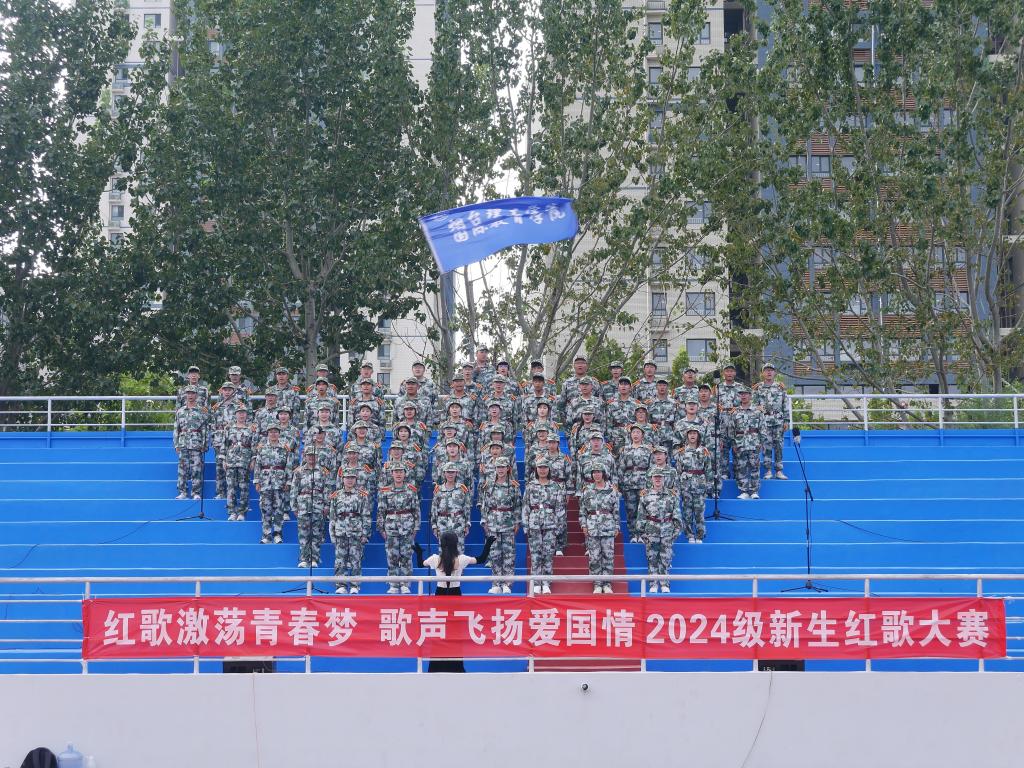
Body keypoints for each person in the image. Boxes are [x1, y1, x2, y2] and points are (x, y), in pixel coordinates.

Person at [413, 532, 495, 673]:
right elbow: (481, 559)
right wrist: (488, 544)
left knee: (439, 630)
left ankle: (436, 667)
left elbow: (420, 564)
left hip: (440, 596)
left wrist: (419, 553)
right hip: (455, 596)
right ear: (456, 544)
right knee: (455, 631)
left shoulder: (435, 559)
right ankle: (456, 667)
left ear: (441, 544)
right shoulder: (461, 559)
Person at [522, 458, 565, 594]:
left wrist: (559, 527)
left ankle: (546, 582)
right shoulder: (530, 486)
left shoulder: (555, 487)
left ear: (549, 469)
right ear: (536, 469)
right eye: (540, 467)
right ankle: (536, 582)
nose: (542, 470)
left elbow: (560, 508)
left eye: (545, 467)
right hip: (534, 524)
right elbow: (525, 507)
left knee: (548, 554)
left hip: (551, 524)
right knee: (535, 555)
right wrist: (525, 525)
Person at [479, 456, 520, 594]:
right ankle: (496, 583)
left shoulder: (513, 485)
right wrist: (484, 521)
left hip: (508, 523)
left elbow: (518, 505)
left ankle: (507, 584)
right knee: (494, 554)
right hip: (492, 523)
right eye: (498, 467)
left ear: (508, 468)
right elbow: (485, 505)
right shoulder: (489, 484)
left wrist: (517, 522)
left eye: (503, 467)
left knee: (509, 554)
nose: (500, 470)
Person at [378, 463, 420, 593]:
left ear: (405, 473)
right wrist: (381, 529)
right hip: (391, 527)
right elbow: (381, 511)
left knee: (406, 556)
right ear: (391, 474)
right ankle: (393, 584)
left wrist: (416, 528)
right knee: (392, 556)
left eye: (401, 471)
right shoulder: (385, 491)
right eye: (396, 471)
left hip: (407, 527)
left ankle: (405, 584)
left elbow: (416, 510)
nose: (398, 474)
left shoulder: (411, 490)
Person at [579, 464, 621, 594]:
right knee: (594, 557)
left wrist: (617, 526)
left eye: (598, 472)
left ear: (604, 473)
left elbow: (616, 510)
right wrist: (584, 525)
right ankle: (597, 584)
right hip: (592, 527)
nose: (596, 475)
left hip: (608, 526)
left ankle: (607, 584)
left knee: (608, 556)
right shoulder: (587, 490)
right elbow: (582, 511)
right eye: (594, 472)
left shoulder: (612, 490)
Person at [638, 468, 682, 593]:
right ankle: (653, 584)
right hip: (651, 530)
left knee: (665, 558)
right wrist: (641, 532)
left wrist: (676, 531)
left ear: (664, 478)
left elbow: (677, 514)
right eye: (655, 477)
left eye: (660, 477)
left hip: (667, 529)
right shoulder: (645, 495)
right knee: (652, 558)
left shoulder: (671, 495)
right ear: (651, 479)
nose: (657, 479)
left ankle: (664, 584)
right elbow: (641, 515)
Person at [328, 468, 371, 594]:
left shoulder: (362, 495)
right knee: (340, 560)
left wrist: (365, 534)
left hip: (356, 532)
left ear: (356, 479)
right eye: (347, 478)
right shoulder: (336, 495)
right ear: (343, 479)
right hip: (340, 532)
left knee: (355, 560)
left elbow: (366, 516)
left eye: (352, 478)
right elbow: (332, 517)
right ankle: (340, 585)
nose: (350, 480)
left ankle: (355, 585)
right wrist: (332, 535)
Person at [290, 444, 331, 568]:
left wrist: (327, 506)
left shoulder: (323, 471)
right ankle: (303, 558)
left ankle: (314, 558)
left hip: (318, 506)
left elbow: (327, 490)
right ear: (305, 456)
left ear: (317, 456)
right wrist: (294, 507)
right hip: (303, 506)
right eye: (309, 455)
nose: (311, 458)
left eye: (313, 455)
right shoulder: (298, 472)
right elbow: (294, 490)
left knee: (316, 534)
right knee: (303, 533)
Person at [253, 424, 292, 543]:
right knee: (265, 509)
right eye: (271, 432)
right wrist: (256, 481)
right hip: (265, 482)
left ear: (279, 433)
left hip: (280, 482)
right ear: (267, 433)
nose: (273, 434)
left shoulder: (285, 448)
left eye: (275, 432)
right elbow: (258, 465)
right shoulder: (262, 448)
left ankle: (277, 533)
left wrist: (288, 481)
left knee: (279, 509)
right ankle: (266, 534)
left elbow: (289, 465)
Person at [675, 425, 711, 542]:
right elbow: (678, 471)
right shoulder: (681, 452)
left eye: (694, 433)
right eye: (690, 433)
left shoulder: (704, 451)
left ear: (698, 436)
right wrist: (678, 488)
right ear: (687, 436)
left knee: (699, 512)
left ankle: (700, 535)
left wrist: (709, 485)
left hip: (700, 485)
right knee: (687, 512)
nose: (692, 435)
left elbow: (708, 469)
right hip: (686, 485)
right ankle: (689, 535)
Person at [753, 362, 789, 480]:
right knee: (766, 446)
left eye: (771, 370)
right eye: (766, 370)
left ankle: (779, 470)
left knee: (779, 446)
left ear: (774, 373)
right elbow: (753, 404)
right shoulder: (758, 388)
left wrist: (786, 420)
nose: (769, 372)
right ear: (762, 373)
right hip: (764, 420)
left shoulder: (780, 387)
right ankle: (768, 470)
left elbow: (785, 404)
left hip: (778, 420)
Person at [617, 424, 653, 542]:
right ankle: (633, 535)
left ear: (642, 435)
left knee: (643, 510)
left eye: (638, 432)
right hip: (629, 484)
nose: (635, 435)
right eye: (633, 432)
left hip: (643, 484)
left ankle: (642, 534)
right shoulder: (625, 450)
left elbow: (652, 468)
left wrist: (649, 485)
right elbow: (621, 468)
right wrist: (620, 485)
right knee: (631, 510)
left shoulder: (648, 449)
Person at [173, 385, 209, 500]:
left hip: (196, 442)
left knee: (196, 468)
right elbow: (176, 428)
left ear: (196, 395)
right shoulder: (180, 411)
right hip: (183, 442)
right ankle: (182, 492)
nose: (190, 395)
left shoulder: (202, 410)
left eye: (192, 393)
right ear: (185, 395)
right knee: (182, 468)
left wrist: (205, 444)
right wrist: (176, 444)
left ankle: (196, 492)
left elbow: (205, 428)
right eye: (188, 393)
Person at [222, 404, 255, 520]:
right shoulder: (229, 428)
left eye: (243, 413)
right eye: (239, 413)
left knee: (244, 487)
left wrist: (253, 459)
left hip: (244, 461)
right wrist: (223, 459)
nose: (241, 415)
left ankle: (242, 512)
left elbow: (254, 445)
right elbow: (224, 444)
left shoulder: (251, 429)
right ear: (235, 414)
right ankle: (232, 511)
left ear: (246, 415)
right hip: (231, 461)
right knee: (231, 487)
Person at [732, 384, 765, 499]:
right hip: (740, 443)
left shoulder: (757, 411)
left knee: (755, 466)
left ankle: (754, 491)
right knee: (741, 467)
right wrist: (733, 443)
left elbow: (762, 428)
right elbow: (731, 429)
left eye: (746, 394)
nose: (743, 396)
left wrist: (761, 442)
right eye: (741, 394)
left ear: (750, 396)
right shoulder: (735, 412)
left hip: (754, 442)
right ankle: (743, 491)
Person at [431, 462, 472, 550]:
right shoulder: (438, 489)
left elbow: (467, 508)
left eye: (452, 472)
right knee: (443, 551)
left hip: (458, 523)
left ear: (456, 473)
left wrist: (467, 525)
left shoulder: (462, 489)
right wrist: (434, 526)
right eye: (448, 472)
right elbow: (434, 509)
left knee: (458, 551)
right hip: (442, 523)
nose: (450, 474)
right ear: (444, 473)